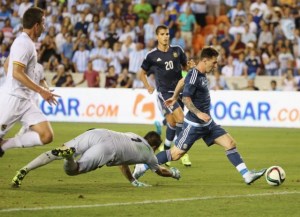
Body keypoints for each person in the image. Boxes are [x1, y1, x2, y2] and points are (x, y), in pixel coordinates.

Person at [134, 47, 266, 185]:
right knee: (175, 154)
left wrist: (174, 96)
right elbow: (186, 99)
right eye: (214, 62)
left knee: (230, 143)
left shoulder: (198, 73)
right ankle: (143, 166)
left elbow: (181, 81)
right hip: (194, 125)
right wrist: (198, 113)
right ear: (205, 60)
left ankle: (247, 175)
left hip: (208, 124)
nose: (216, 66)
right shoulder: (195, 75)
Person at [11, 129, 181, 188]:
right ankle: (69, 157)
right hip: (108, 149)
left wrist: (132, 180)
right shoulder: (150, 154)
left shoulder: (133, 135)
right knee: (73, 170)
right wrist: (173, 173)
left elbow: (123, 163)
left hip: (100, 132)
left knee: (56, 150)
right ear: (155, 147)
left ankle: (24, 169)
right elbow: (160, 171)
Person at [0, 7, 59, 157]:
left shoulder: (25, 43)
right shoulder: (23, 44)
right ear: (36, 25)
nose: (45, 27)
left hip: (24, 101)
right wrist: (41, 90)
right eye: (44, 23)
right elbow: (16, 72)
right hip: (12, 101)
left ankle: (4, 144)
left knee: (46, 135)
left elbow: (7, 65)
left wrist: (17, 85)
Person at [137, 24, 191, 166]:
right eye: (162, 34)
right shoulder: (152, 55)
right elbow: (141, 73)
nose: (165, 36)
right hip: (164, 92)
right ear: (157, 36)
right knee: (180, 118)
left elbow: (185, 66)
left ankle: (165, 152)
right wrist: (148, 86)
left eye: (167, 34)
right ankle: (182, 152)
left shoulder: (177, 50)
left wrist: (190, 67)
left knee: (172, 123)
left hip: (179, 91)